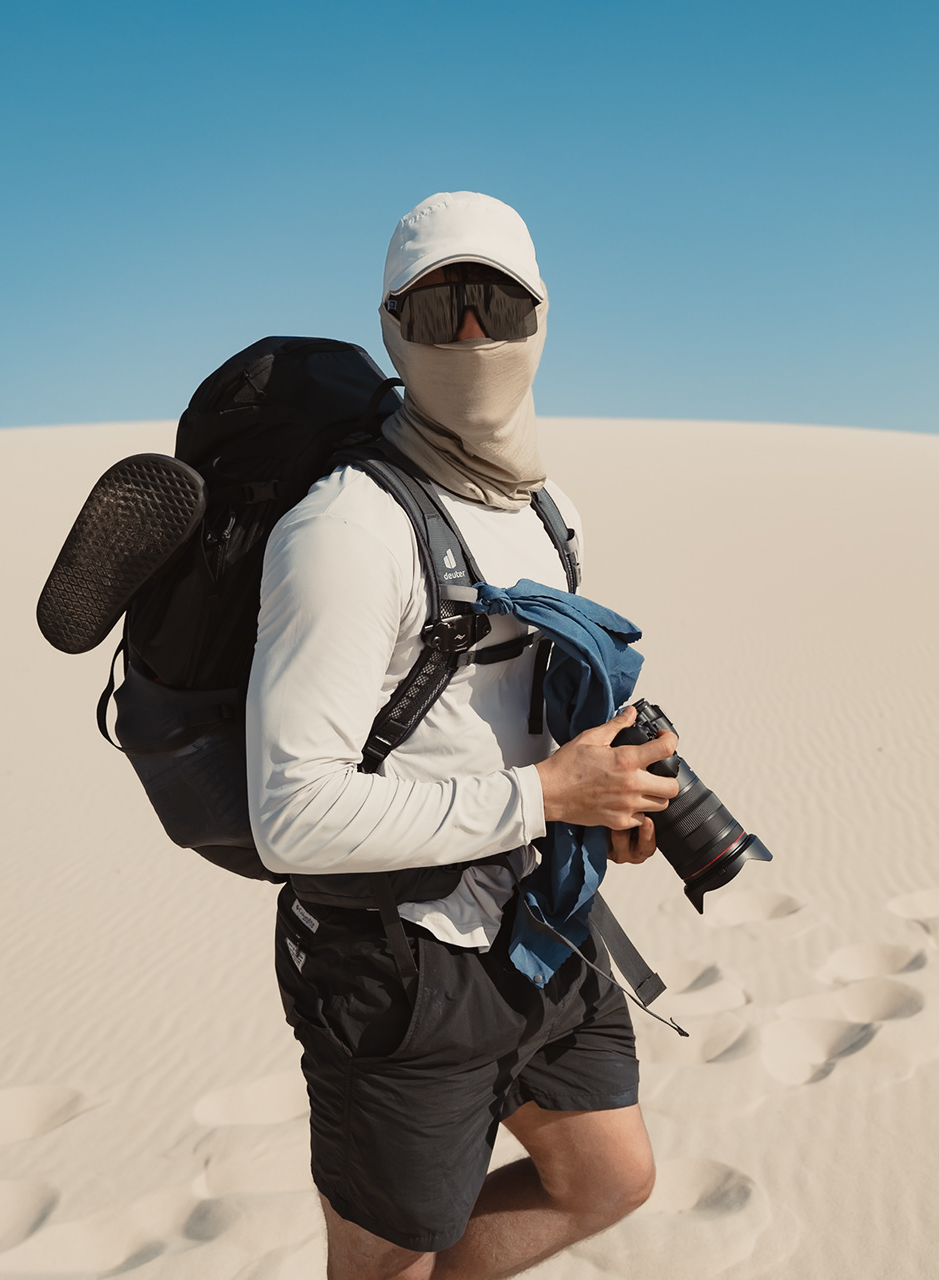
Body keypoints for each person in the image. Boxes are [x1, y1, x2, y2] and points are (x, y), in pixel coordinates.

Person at [246, 191, 682, 1280]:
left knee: (609, 1175)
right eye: (442, 311)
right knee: (387, 1259)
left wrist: (606, 803)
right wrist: (546, 796)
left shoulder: (547, 508)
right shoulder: (346, 527)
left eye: (498, 303)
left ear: (543, 316)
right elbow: (291, 813)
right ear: (394, 329)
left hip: (542, 921)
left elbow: (514, 713)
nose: (475, 336)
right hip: (394, 965)